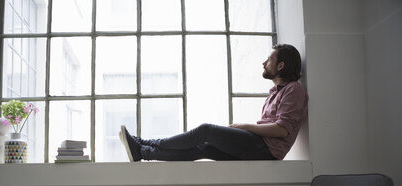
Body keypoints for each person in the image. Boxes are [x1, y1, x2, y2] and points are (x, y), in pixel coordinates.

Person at [119, 44, 308, 162]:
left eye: (269, 59)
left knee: (206, 131)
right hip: (258, 147)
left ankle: (144, 142)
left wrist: (245, 126)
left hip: (266, 150)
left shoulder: (294, 89)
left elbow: (281, 130)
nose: (264, 62)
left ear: (281, 65)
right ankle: (143, 152)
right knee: (203, 148)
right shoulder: (275, 92)